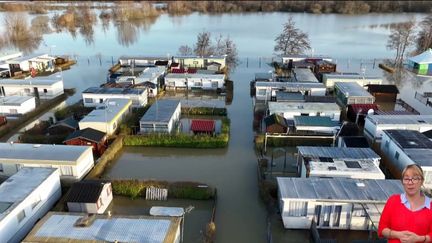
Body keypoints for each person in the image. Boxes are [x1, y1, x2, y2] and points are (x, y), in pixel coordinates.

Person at [378, 164, 432, 243]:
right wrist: (397, 235)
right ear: (402, 182)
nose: (410, 182)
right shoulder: (393, 201)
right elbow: (382, 229)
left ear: (422, 181)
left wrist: (419, 239)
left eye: (415, 179)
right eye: (406, 179)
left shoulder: (430, 206)